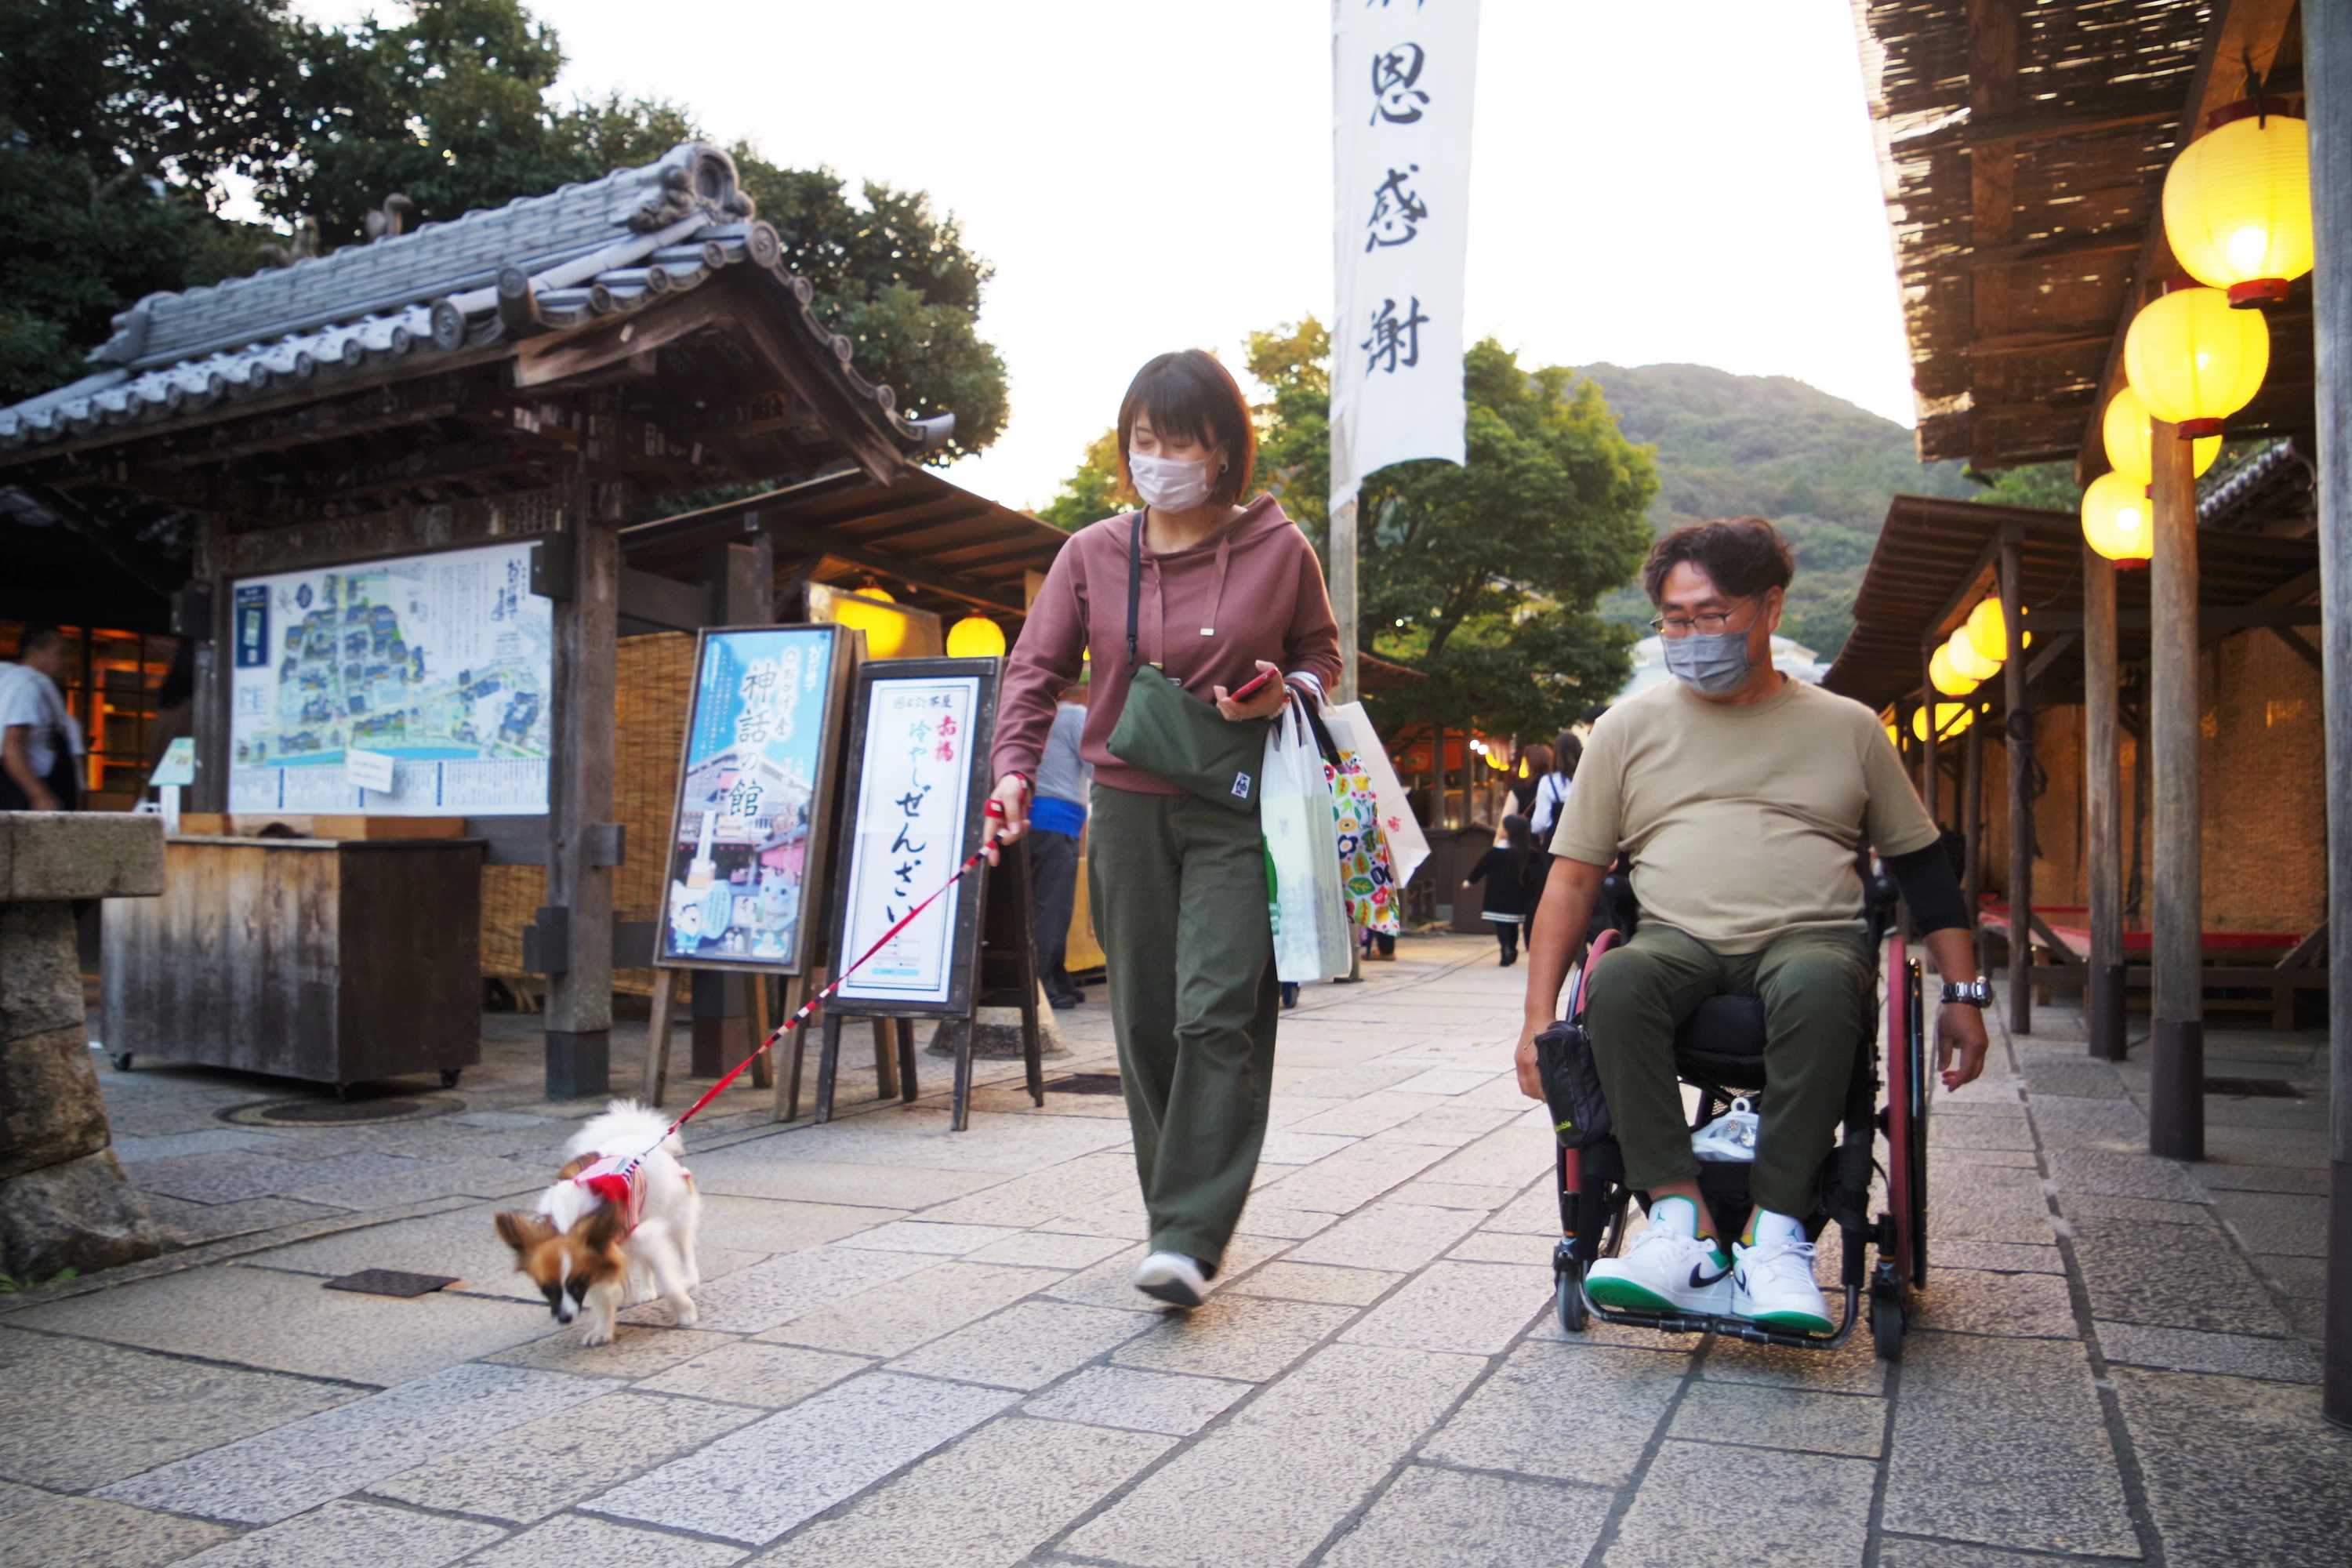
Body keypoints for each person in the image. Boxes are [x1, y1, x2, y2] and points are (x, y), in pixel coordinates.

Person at [1515, 517, 1987, 1334]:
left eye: (1712, 614)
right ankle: (1680, 1225)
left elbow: (1921, 866)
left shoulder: (1848, 727)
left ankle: (1777, 1237)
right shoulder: (1626, 729)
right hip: (1676, 940)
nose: (1691, 635)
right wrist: (1535, 1019)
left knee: (1818, 979)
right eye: (1674, 617)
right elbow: (1573, 876)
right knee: (1618, 978)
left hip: (1810, 939)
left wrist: (1964, 990)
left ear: (1769, 608)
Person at [986, 349, 1341, 1310]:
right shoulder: (1092, 551)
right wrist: (1012, 769)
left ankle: (1189, 1233)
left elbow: (1321, 653)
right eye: (1145, 440)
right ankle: (1174, 1213)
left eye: (1179, 442)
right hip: (1128, 806)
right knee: (1144, 1018)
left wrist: (1287, 688)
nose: (1159, 459)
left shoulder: (1281, 548)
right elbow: (1035, 668)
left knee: (1217, 1007)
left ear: (1223, 449)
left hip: (1236, 801)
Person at [1029, 684, 1093, 1009]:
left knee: (1041, 906)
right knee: (1053, 908)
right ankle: (1042, 987)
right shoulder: (1076, 717)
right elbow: (1096, 765)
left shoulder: (1041, 716)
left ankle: (1056, 977)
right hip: (1057, 821)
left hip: (1032, 818)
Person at [0, 626, 82, 811]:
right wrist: (40, 796)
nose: (66, 662)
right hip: (23, 796)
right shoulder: (25, 686)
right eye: (59, 654)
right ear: (34, 653)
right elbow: (12, 748)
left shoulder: (22, 684)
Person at [1461, 814, 1540, 966]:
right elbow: (1536, 877)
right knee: (1512, 925)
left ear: (1510, 830)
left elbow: (1481, 867)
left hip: (1496, 896)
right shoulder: (1528, 854)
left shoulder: (1496, 852)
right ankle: (1512, 948)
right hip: (1517, 897)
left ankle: (1505, 949)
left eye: (1503, 827)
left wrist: (1469, 882)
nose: (1500, 829)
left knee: (1501, 925)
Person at [1526, 730, 1580, 848]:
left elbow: (1540, 823)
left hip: (1556, 842)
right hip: (1584, 842)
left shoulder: (1548, 781)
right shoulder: (1588, 779)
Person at [1510, 742, 1554, 820]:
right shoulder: (1555, 786)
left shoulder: (1521, 787)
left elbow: (1507, 817)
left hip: (1524, 831)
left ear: (1529, 763)